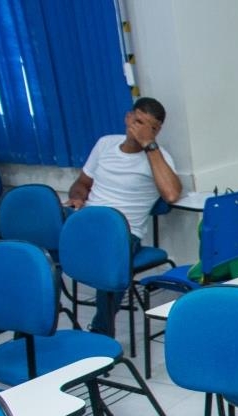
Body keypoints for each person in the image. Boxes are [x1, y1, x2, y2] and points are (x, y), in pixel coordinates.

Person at [66, 97, 182, 337]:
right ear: (128, 118)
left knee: (111, 257)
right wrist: (77, 197)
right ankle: (28, 322)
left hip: (123, 232)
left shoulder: (159, 158)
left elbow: (171, 194)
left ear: (157, 131)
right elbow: (82, 183)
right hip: (88, 222)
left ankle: (101, 332)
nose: (140, 130)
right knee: (40, 229)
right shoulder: (105, 144)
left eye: (150, 127)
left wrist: (149, 145)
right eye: (138, 121)